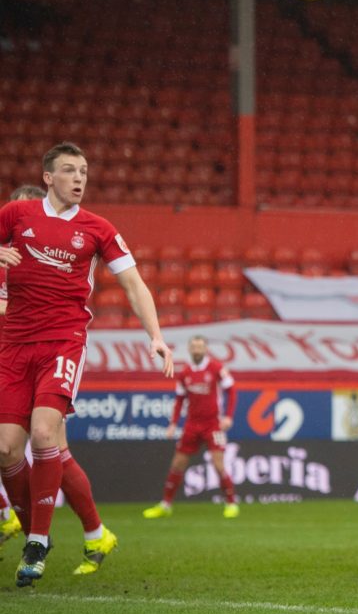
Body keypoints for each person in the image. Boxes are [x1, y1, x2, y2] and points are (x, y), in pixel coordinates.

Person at [0, 142, 173, 587]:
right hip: (13, 345)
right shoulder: (16, 216)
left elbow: (134, 284)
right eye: (70, 171)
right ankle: (48, 529)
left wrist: (155, 336)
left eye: (84, 171)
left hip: (63, 342)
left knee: (44, 432)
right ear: (48, 177)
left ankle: (38, 540)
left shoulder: (98, 229)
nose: (79, 178)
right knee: (5, 450)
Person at [0, 183, 116, 575]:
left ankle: (37, 529)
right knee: (42, 449)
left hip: (43, 353)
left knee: (50, 443)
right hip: (13, 357)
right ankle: (91, 532)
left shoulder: (36, 264)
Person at [142, 336, 239, 519]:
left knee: (218, 464)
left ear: (205, 349)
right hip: (192, 424)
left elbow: (232, 391)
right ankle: (166, 505)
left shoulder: (216, 368)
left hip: (213, 424)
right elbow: (179, 400)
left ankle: (232, 503)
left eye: (200, 347)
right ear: (189, 349)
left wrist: (228, 417)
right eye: (193, 347)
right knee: (177, 463)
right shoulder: (184, 373)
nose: (197, 350)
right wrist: (173, 424)